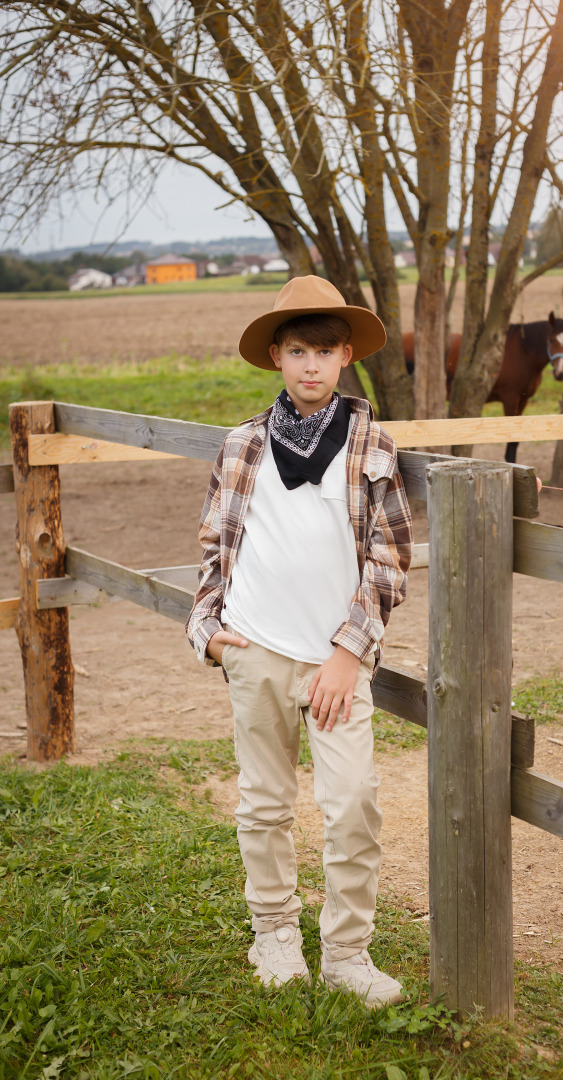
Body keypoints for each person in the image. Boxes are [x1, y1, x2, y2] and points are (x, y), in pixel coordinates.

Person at [186, 276, 413, 1007]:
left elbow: (390, 557)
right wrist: (214, 637)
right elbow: (213, 548)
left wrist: (349, 653)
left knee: (351, 805)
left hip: (334, 663)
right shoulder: (242, 444)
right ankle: (275, 934)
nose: (310, 365)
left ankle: (347, 952)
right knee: (263, 804)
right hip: (254, 651)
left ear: (345, 355)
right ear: (276, 359)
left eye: (323, 350)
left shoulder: (372, 443)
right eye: (296, 351)